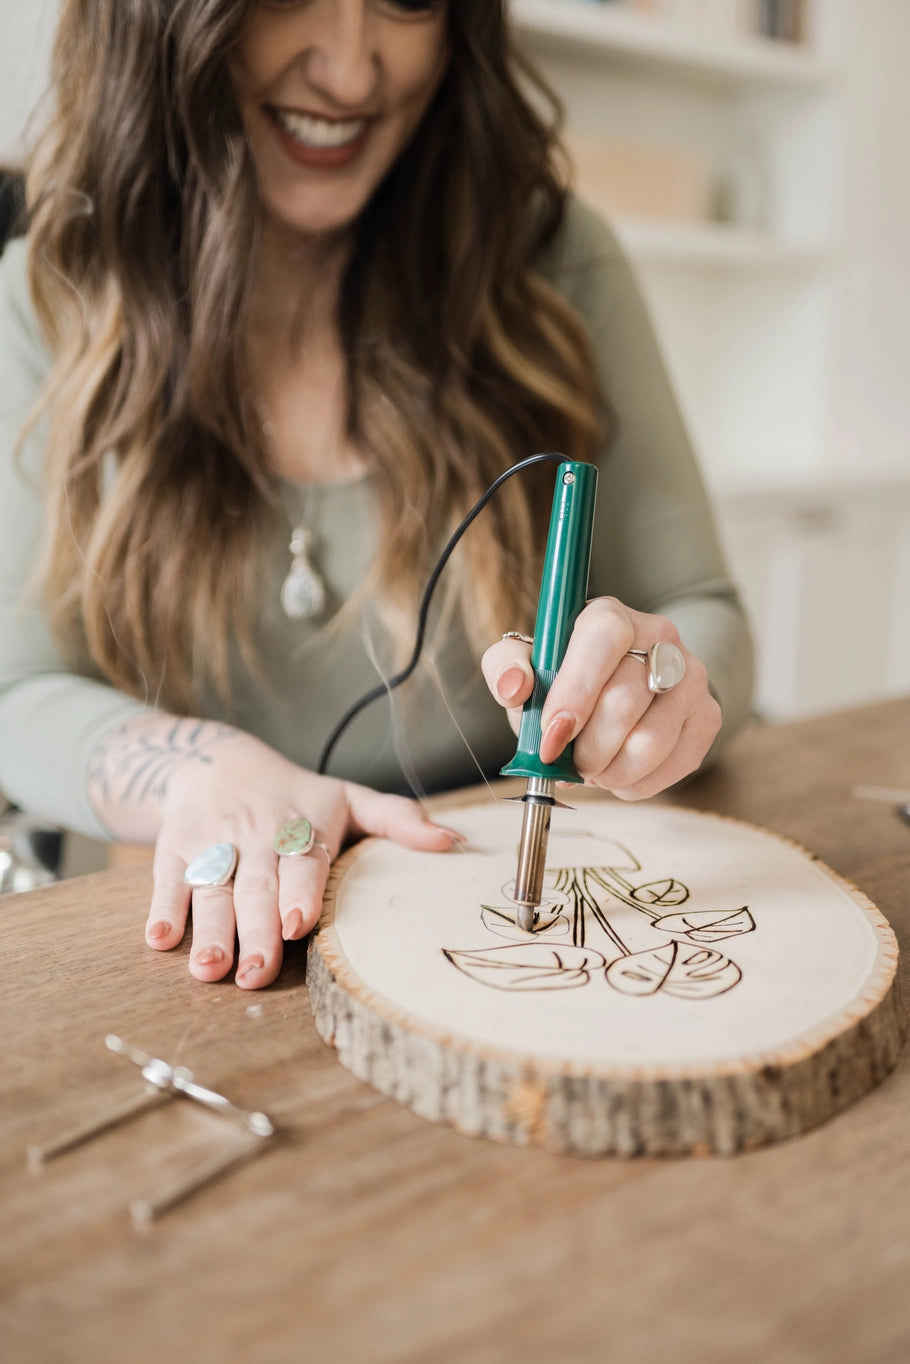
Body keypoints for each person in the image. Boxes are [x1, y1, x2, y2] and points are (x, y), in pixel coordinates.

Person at [0, 0, 753, 989]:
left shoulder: (558, 261)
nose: (353, 73)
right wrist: (201, 768)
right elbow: (16, 692)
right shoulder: (44, 294)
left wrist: (657, 692)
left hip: (502, 931)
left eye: (408, 0)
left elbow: (708, 615)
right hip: (224, 958)